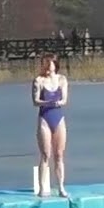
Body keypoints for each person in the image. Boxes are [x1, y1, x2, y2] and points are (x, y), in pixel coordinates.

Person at [32, 53, 69, 197]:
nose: (48, 66)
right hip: (45, 117)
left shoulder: (62, 80)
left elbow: (65, 99)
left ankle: (61, 187)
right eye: (45, 63)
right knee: (46, 154)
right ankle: (42, 188)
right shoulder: (39, 80)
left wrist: (58, 102)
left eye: (50, 63)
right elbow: (35, 101)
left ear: (55, 64)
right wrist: (47, 102)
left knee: (59, 154)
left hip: (58, 117)